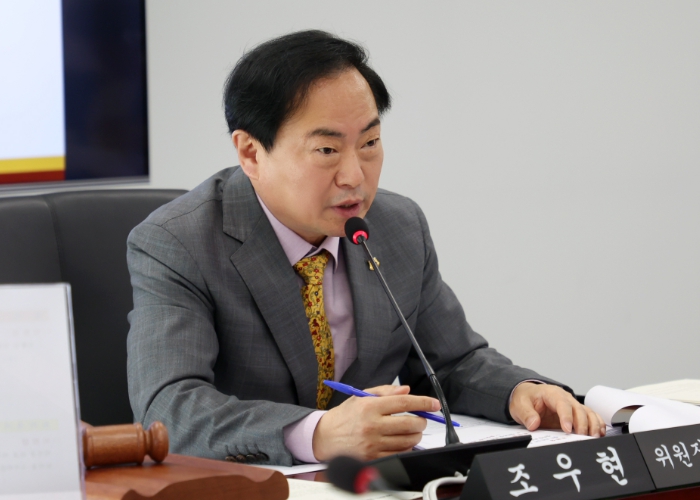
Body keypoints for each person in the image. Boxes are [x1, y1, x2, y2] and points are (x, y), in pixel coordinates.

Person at [126, 30, 604, 466]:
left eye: (370, 142)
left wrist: (519, 391)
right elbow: (169, 408)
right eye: (327, 150)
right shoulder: (179, 243)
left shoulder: (397, 226)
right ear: (251, 152)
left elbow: (452, 363)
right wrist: (316, 434)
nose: (355, 176)